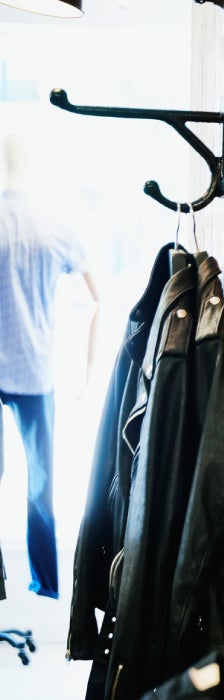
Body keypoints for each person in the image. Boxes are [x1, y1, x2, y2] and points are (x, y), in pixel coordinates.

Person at [0, 131, 99, 600]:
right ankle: (46, 585)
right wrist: (86, 363)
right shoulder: (53, 225)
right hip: (35, 368)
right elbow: (94, 298)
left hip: (23, 366)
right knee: (41, 483)